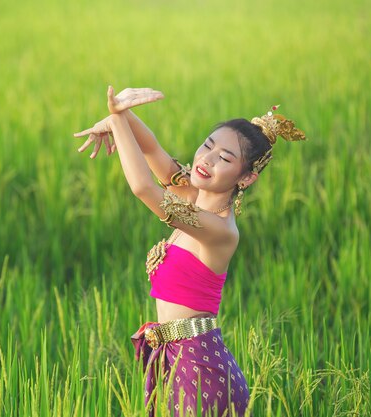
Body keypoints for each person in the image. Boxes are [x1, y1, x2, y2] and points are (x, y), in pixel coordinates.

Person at [74, 87, 306, 416]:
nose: (207, 160)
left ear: (247, 178)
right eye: (207, 146)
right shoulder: (190, 195)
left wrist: (116, 120)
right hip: (173, 359)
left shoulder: (220, 231)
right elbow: (151, 148)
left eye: (225, 159)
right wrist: (123, 111)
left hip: (203, 372)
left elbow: (143, 188)